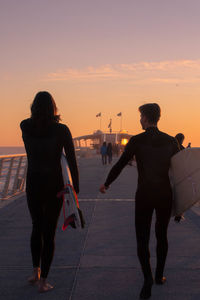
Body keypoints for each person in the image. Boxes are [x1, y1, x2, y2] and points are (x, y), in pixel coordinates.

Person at [100, 103, 179, 299]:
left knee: (142, 238)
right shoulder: (171, 141)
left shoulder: (136, 141)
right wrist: (182, 204)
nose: (139, 120)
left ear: (145, 117)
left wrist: (107, 184)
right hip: (164, 195)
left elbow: (119, 164)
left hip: (144, 195)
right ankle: (159, 276)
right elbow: (181, 173)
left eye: (140, 116)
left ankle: (147, 278)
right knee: (162, 235)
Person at [20, 91, 79, 293]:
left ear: (33, 106)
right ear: (53, 107)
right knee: (49, 231)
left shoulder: (24, 126)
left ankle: (35, 271)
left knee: (36, 227)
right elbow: (71, 159)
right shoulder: (62, 130)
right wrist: (75, 189)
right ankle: (43, 281)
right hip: (55, 187)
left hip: (33, 185)